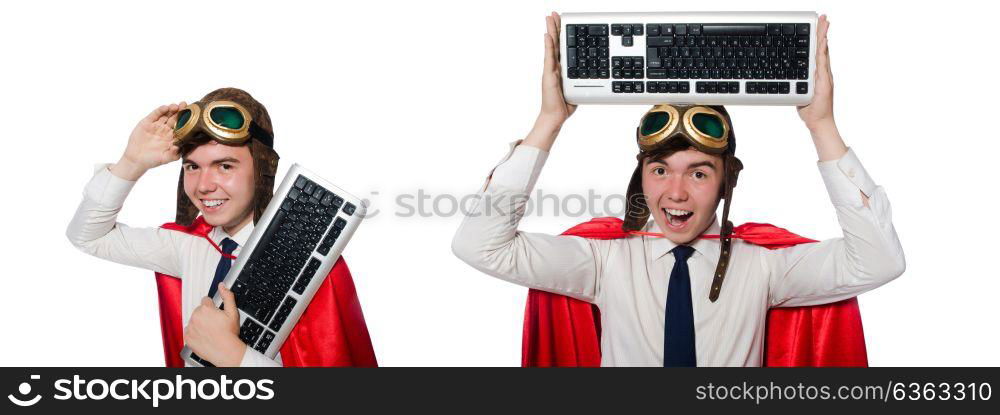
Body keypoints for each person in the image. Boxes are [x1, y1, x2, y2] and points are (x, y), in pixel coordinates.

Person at [452, 13, 905, 366]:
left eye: (699, 173)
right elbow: (480, 247)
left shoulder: (765, 268)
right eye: (660, 170)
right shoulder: (603, 262)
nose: (676, 193)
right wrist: (548, 121)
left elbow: (878, 261)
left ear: (727, 181)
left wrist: (822, 126)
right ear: (640, 178)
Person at [66, 88, 376, 367]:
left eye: (224, 166)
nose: (203, 186)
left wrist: (235, 357)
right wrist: (132, 162)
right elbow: (89, 236)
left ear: (263, 167)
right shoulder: (187, 245)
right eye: (192, 167)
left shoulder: (313, 261)